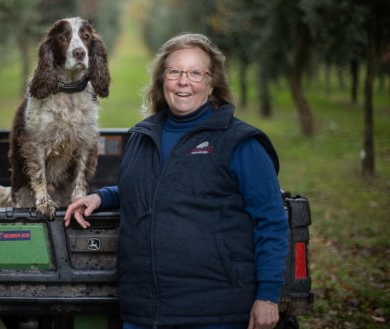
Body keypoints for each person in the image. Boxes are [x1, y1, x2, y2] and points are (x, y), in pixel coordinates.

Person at [64, 33, 289, 329]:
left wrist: (268, 297)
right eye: (174, 72)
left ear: (211, 84)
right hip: (144, 312)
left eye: (196, 73)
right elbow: (155, 187)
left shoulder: (240, 143)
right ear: (162, 80)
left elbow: (271, 220)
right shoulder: (142, 136)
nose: (184, 81)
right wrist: (103, 197)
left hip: (214, 313)